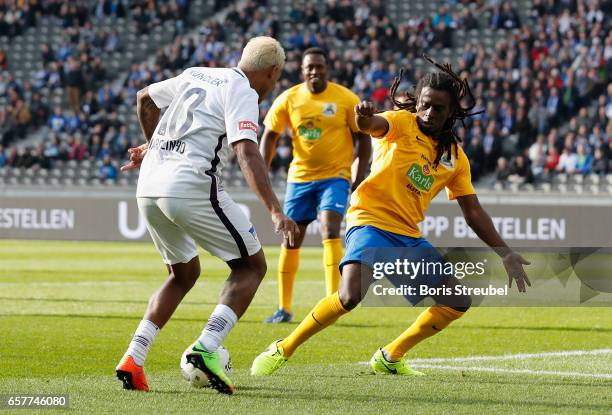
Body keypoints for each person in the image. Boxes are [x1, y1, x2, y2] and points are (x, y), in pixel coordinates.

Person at [251, 56, 530, 377]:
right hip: (368, 221)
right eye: (425, 105)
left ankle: (390, 356)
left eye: (438, 109)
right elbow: (373, 126)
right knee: (350, 295)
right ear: (417, 103)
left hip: (406, 236)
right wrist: (365, 118)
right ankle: (283, 348)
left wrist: (504, 251)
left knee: (457, 300)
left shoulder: (456, 159)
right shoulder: (400, 123)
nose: (429, 113)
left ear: (451, 112)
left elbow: (473, 212)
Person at [115, 36, 298, 395]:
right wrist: (277, 212)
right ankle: (205, 348)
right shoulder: (243, 90)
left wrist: (153, 148)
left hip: (149, 185)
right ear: (273, 72)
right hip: (190, 185)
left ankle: (133, 358)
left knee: (183, 274)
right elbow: (246, 151)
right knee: (251, 267)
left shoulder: (196, 73)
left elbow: (144, 98)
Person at [259, 47, 371, 323]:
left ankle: (333, 302)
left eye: (319, 66)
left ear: (326, 69)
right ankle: (284, 309)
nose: (314, 71)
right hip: (300, 178)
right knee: (291, 238)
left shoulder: (345, 99)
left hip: (336, 176)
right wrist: (262, 168)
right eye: (310, 67)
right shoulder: (289, 98)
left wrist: (358, 178)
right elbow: (269, 136)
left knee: (329, 228)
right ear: (302, 70)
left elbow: (363, 139)